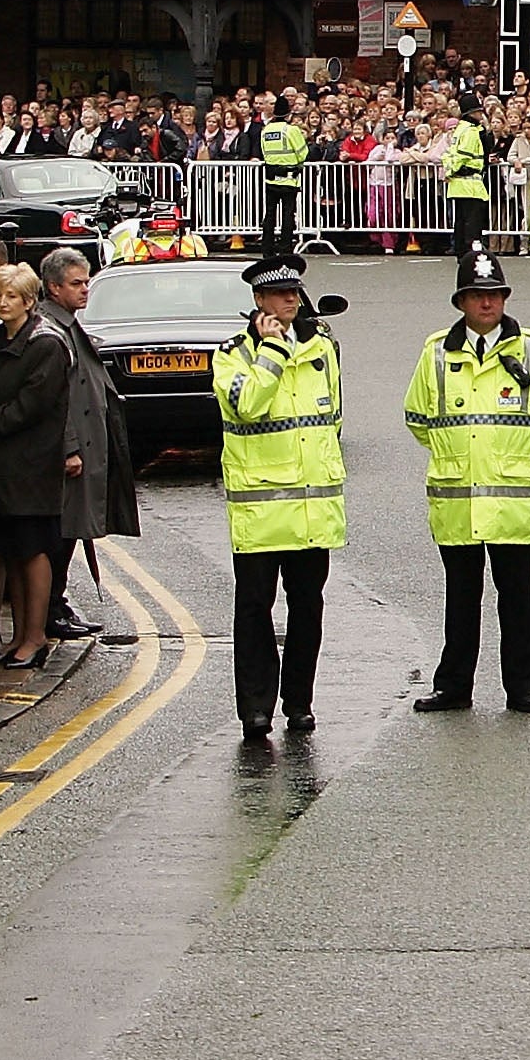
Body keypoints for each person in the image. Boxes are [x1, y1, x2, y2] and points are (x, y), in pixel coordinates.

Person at [407, 250, 530, 713]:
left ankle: (523, 686)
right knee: (461, 599)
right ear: (462, 301)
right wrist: (457, 454)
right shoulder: (436, 352)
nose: (487, 304)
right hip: (457, 495)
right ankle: (454, 686)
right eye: (477, 296)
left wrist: (521, 456)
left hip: (513, 499)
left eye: (494, 294)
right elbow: (418, 418)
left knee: (518, 597)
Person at [214, 254, 345, 741]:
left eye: (294, 291)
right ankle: (255, 706)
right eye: (280, 294)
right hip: (261, 509)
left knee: (307, 607)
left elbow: (332, 418)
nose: (291, 299)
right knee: (254, 610)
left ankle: (299, 701)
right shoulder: (232, 353)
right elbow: (247, 407)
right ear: (259, 302)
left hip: (313, 506)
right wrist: (270, 352)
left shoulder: (322, 348)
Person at [0, 262, 72, 670]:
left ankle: (35, 637)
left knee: (32, 550)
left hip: (31, 465)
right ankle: (17, 637)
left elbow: (32, 406)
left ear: (29, 302)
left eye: (11, 296)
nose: (2, 303)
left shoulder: (45, 344)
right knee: (8, 551)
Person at [40, 247, 136, 642]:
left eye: (86, 281)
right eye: (77, 283)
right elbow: (55, 399)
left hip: (88, 449)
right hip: (72, 455)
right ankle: (49, 609)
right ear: (53, 287)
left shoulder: (68, 324)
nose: (85, 290)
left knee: (73, 532)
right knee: (61, 535)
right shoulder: (51, 329)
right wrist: (69, 448)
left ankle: (55, 604)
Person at [258, 95, 309, 255]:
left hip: (270, 178)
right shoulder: (291, 130)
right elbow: (303, 153)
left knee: (270, 214)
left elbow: (264, 152)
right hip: (289, 179)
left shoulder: (266, 130)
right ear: (288, 114)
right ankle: (285, 248)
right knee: (288, 214)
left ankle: (267, 248)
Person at [444, 106, 494, 257]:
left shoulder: (459, 129)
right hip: (471, 183)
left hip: (458, 184)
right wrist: (451, 170)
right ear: (472, 113)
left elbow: (450, 153)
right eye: (479, 112)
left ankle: (461, 254)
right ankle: (470, 255)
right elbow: (464, 155)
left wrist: (449, 170)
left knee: (460, 221)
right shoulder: (471, 131)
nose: (481, 114)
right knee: (472, 223)